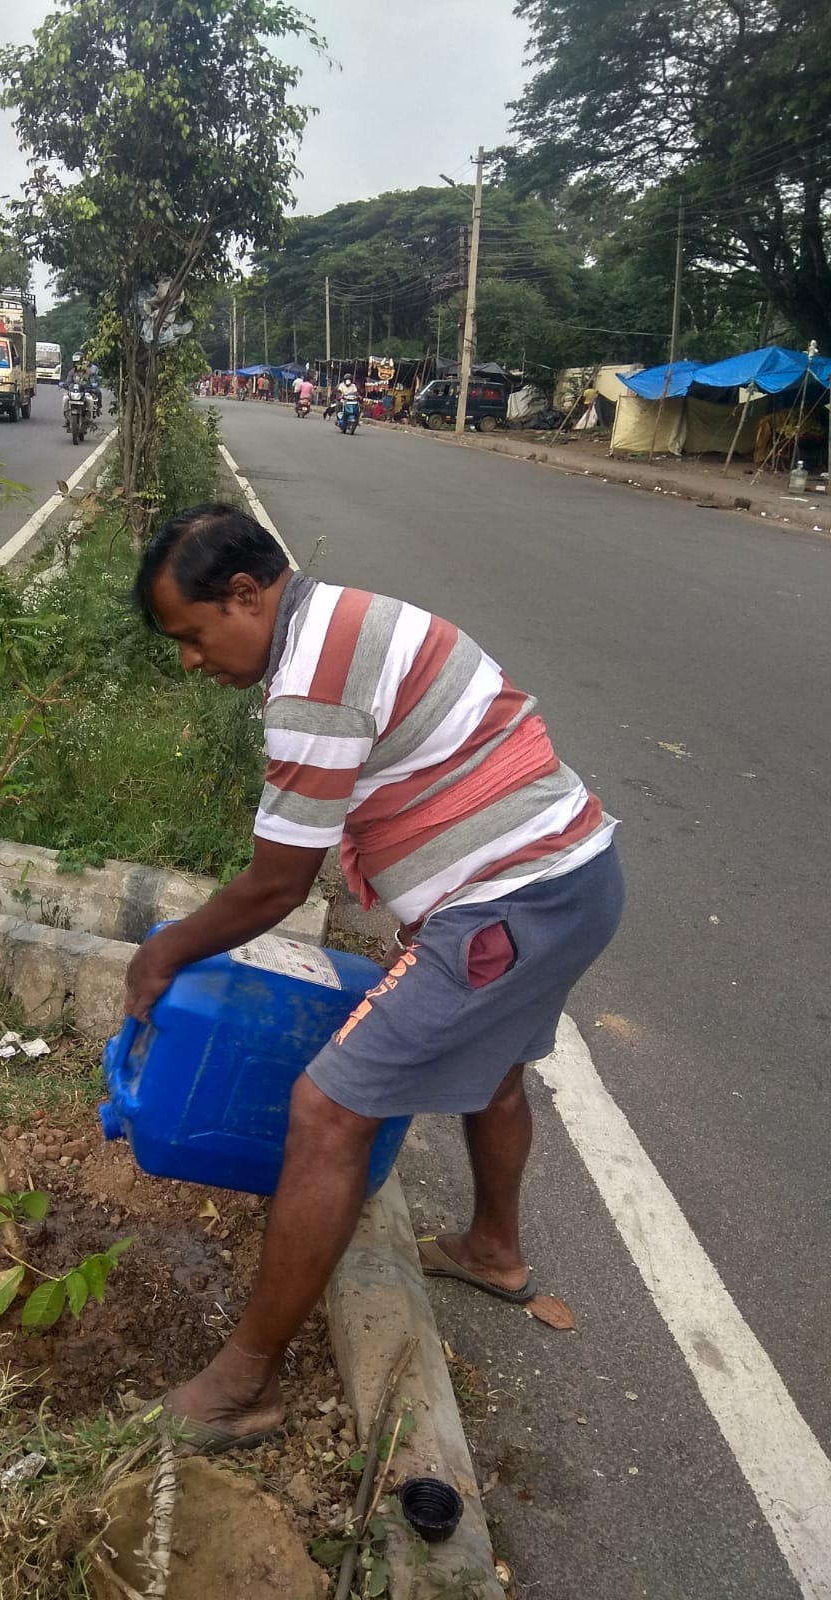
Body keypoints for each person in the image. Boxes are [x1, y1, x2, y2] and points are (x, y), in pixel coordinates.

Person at [126, 503, 623, 1453]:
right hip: (576, 874)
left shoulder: (312, 675)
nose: (191, 662)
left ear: (244, 594)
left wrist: (167, 950)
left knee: (326, 1111)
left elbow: (279, 882)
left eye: (192, 637)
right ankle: (494, 1251)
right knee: (494, 1065)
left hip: (510, 905)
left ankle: (243, 1385)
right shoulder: (345, 618)